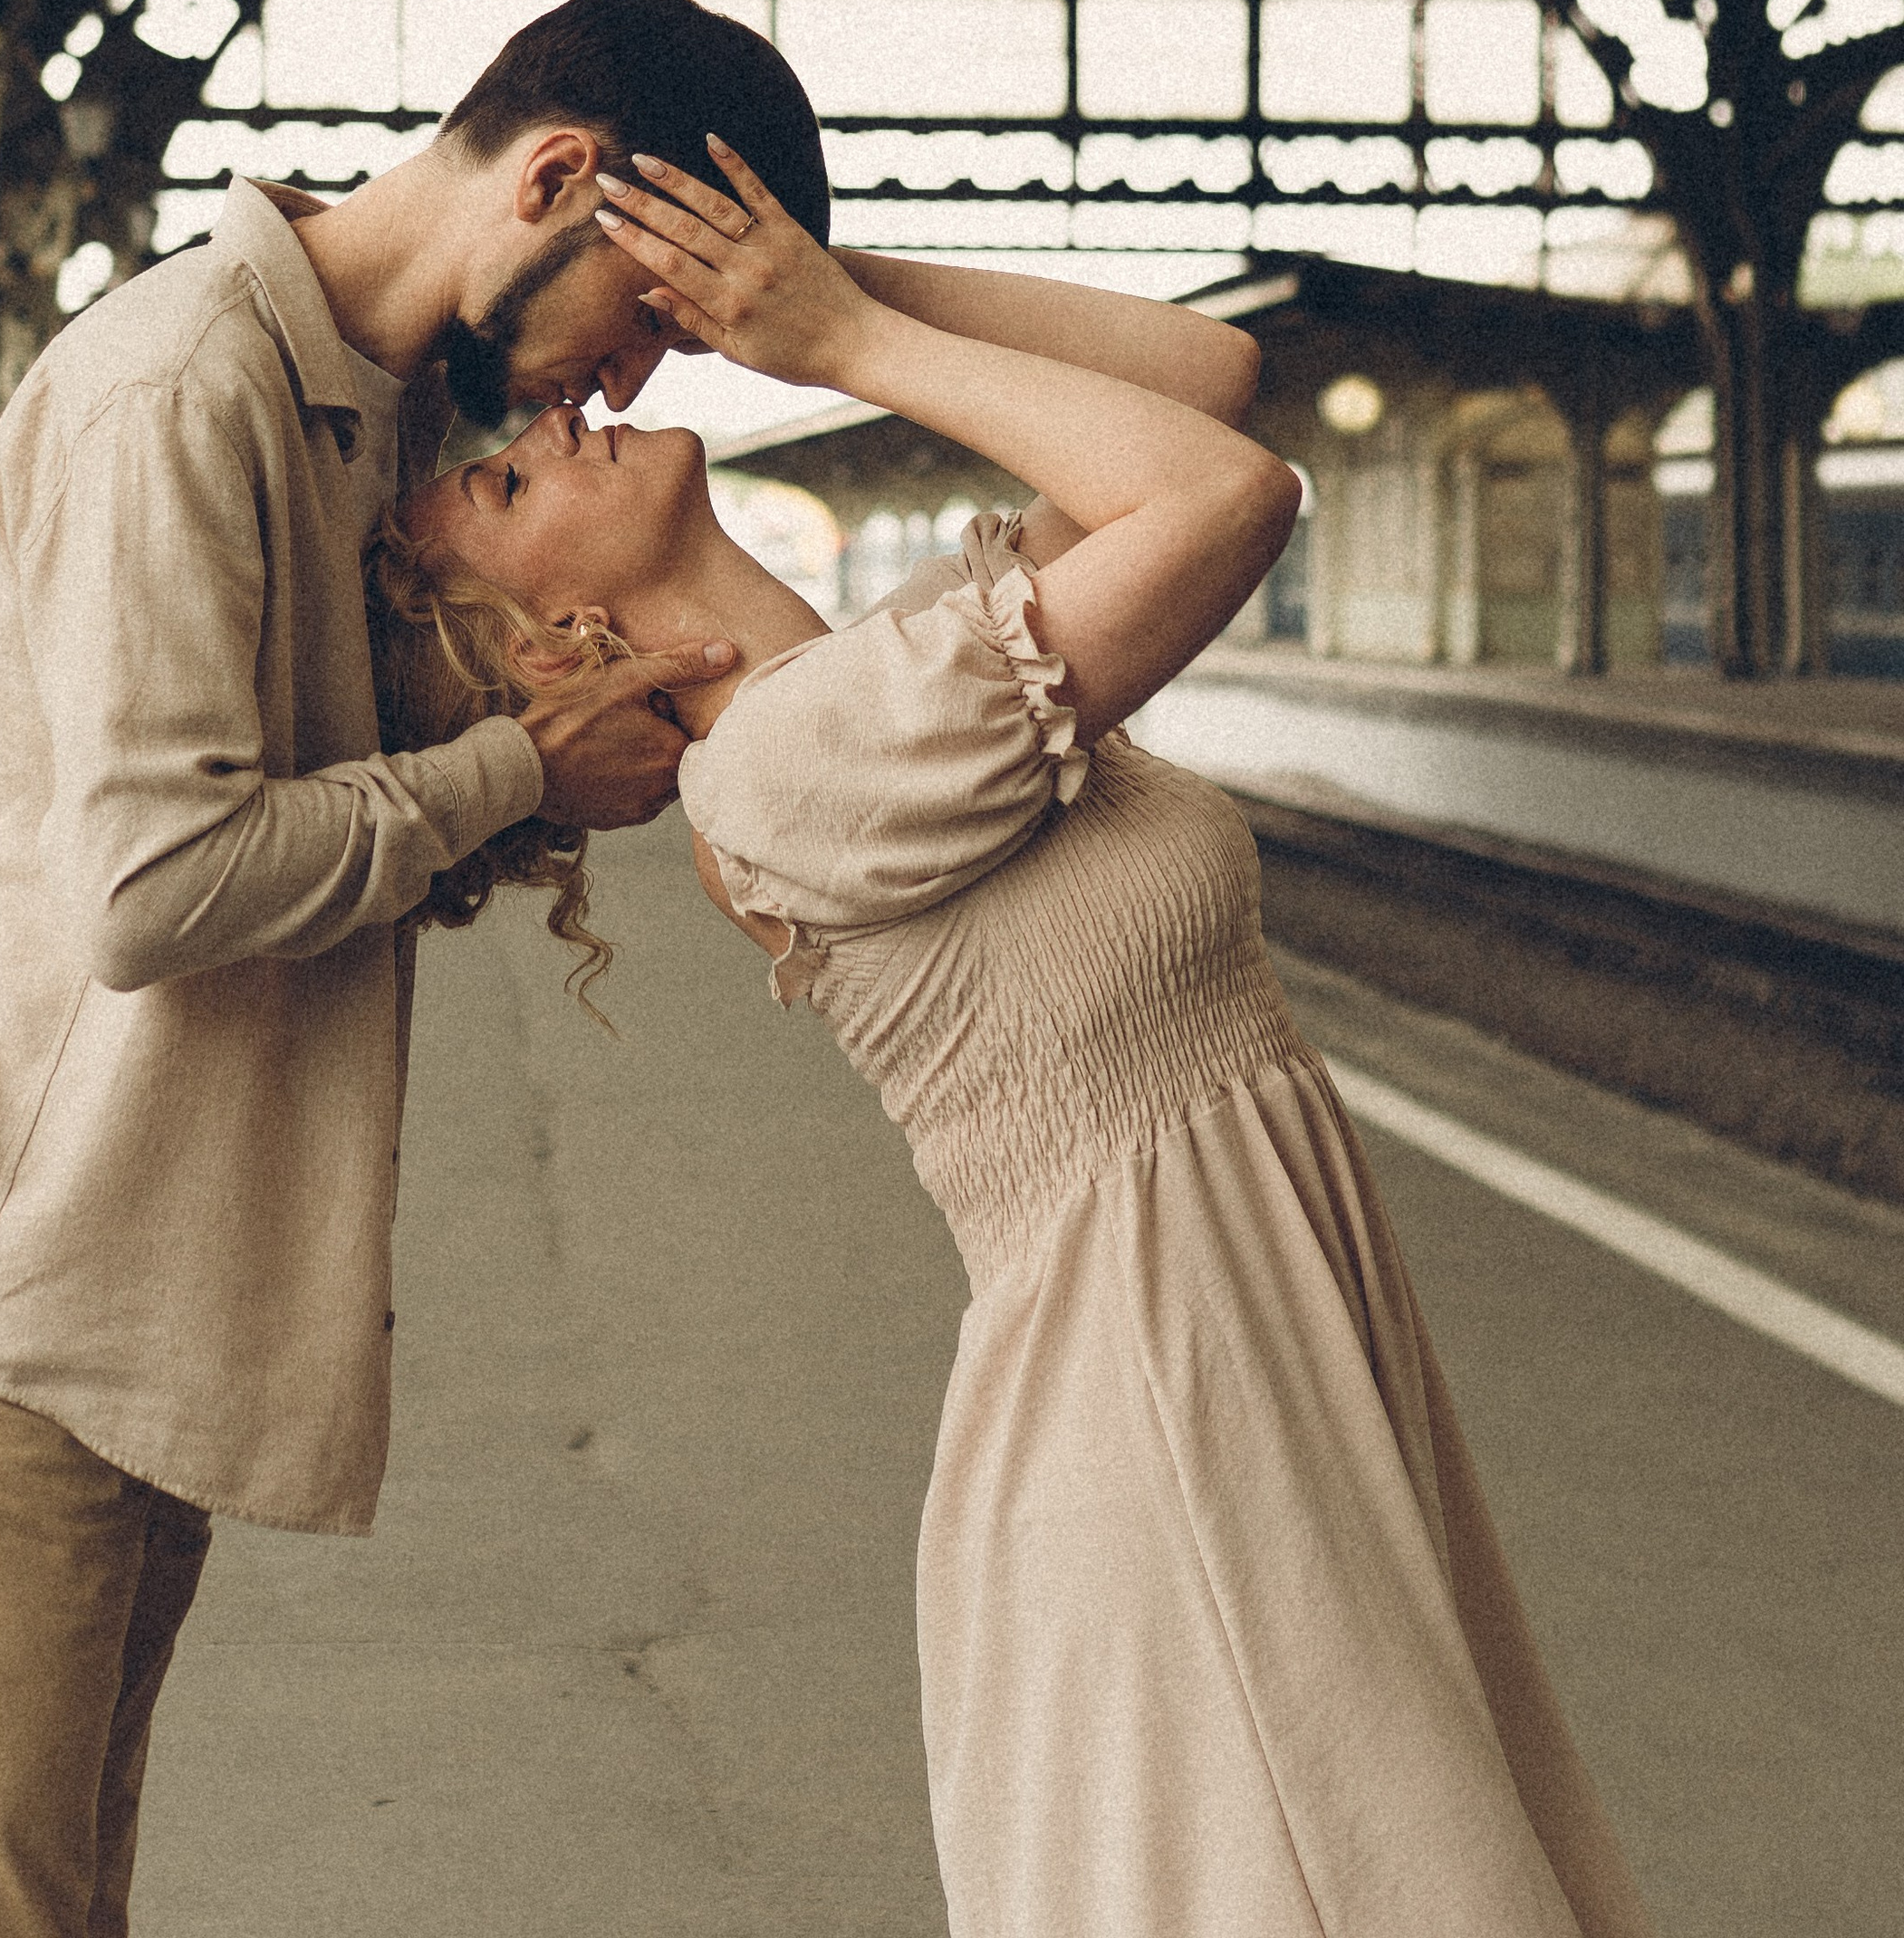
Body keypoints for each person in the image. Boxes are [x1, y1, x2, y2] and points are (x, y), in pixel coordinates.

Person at [374, 138, 1660, 1938]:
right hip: (1159, 1388)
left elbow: (1194, 377)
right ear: (559, 632)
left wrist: (799, 282)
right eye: (507, 483)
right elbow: (1227, 491)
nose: (553, 431)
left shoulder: (889, 663)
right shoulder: (794, 761)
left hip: (1224, 1343)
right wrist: (831, 347)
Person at [0, 0, 829, 1938]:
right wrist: (507, 765)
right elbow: (151, 888)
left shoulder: (367, 416)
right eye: (655, 312)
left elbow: (297, 824)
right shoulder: (182, 386)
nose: (636, 387)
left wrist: (527, 786)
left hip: (106, 1297)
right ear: (558, 177)